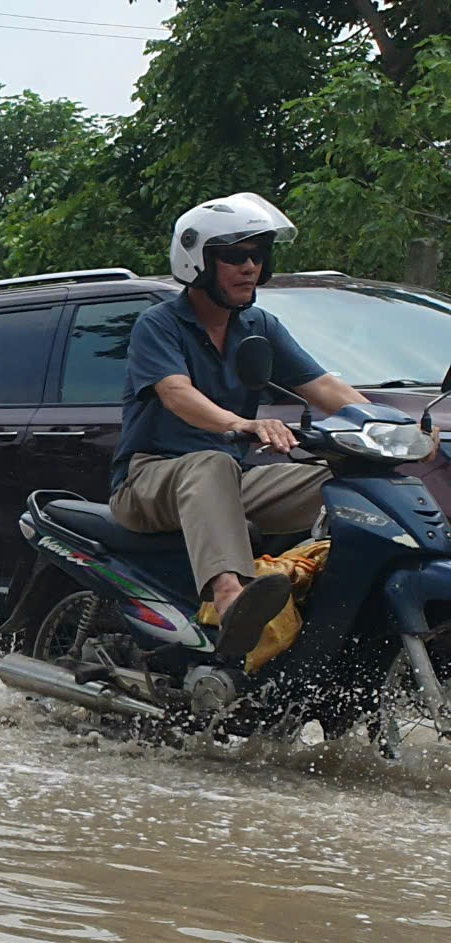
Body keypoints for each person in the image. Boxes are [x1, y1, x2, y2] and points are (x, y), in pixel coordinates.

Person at [110, 192, 366, 658]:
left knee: (347, 479)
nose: (251, 267)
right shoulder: (159, 324)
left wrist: (393, 428)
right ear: (197, 262)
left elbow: (326, 388)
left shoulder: (259, 325)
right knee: (208, 463)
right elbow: (176, 394)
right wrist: (241, 424)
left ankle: (348, 605)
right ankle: (231, 599)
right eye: (235, 256)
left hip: (231, 480)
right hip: (149, 480)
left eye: (257, 255)